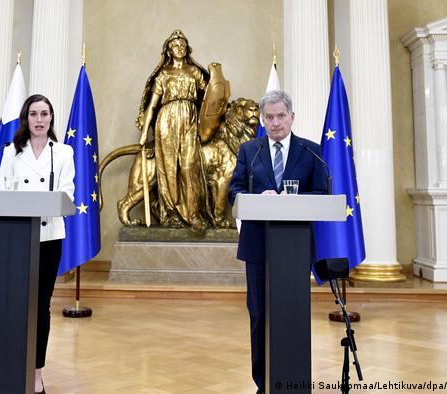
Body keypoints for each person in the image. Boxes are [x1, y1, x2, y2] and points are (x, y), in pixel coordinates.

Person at [228, 90, 328, 394]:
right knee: (259, 315)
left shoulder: (310, 151)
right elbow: (234, 192)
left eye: (281, 116)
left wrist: (293, 199)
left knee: (291, 313)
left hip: (294, 250)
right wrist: (259, 198)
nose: (275, 123)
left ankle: (294, 382)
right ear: (262, 119)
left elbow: (322, 195)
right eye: (269, 117)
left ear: (292, 117)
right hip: (258, 246)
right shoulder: (250, 151)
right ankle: (263, 384)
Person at [0, 94, 75, 394]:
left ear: (51, 118)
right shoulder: (10, 152)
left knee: (40, 306)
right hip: (16, 237)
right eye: (33, 114)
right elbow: (3, 190)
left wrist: (43, 203)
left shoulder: (64, 152)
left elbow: (66, 193)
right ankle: (11, 364)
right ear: (25, 118)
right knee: (15, 304)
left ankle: (37, 371)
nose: (39, 120)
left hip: (49, 237)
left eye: (44, 114)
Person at [137, 29, 211, 230]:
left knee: (189, 166)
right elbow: (152, 105)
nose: (180, 48)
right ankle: (172, 214)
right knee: (168, 168)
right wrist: (145, 132)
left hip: (189, 118)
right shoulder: (164, 74)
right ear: (169, 50)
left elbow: (209, 97)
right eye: (176, 45)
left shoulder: (194, 72)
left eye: (183, 45)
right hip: (166, 120)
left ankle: (194, 214)